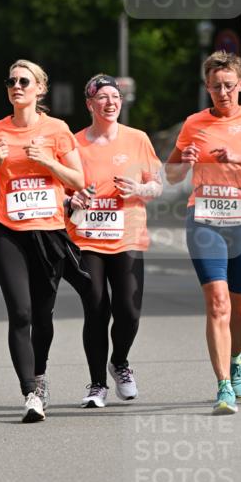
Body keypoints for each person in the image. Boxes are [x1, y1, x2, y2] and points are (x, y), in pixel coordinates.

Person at [165, 51, 241, 414]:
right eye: (215, 86)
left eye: (229, 85)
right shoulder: (194, 123)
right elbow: (170, 174)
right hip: (204, 217)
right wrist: (180, 163)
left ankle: (235, 358)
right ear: (207, 87)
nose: (222, 92)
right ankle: (223, 387)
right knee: (217, 303)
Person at [0, 59, 85, 423]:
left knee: (42, 315)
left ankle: (40, 372)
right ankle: (31, 393)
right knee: (19, 312)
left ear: (40, 89)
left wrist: (49, 162)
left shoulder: (58, 129)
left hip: (48, 233)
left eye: (24, 81)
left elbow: (79, 180)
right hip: (8, 232)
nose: (16, 86)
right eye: (11, 81)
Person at [62, 75, 162, 408]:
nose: (110, 102)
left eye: (115, 97)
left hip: (128, 236)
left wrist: (140, 190)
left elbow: (156, 185)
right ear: (89, 104)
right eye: (102, 97)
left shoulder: (137, 139)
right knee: (95, 309)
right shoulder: (73, 144)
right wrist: (72, 201)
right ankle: (97, 384)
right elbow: (60, 193)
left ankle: (119, 362)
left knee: (129, 311)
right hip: (87, 240)